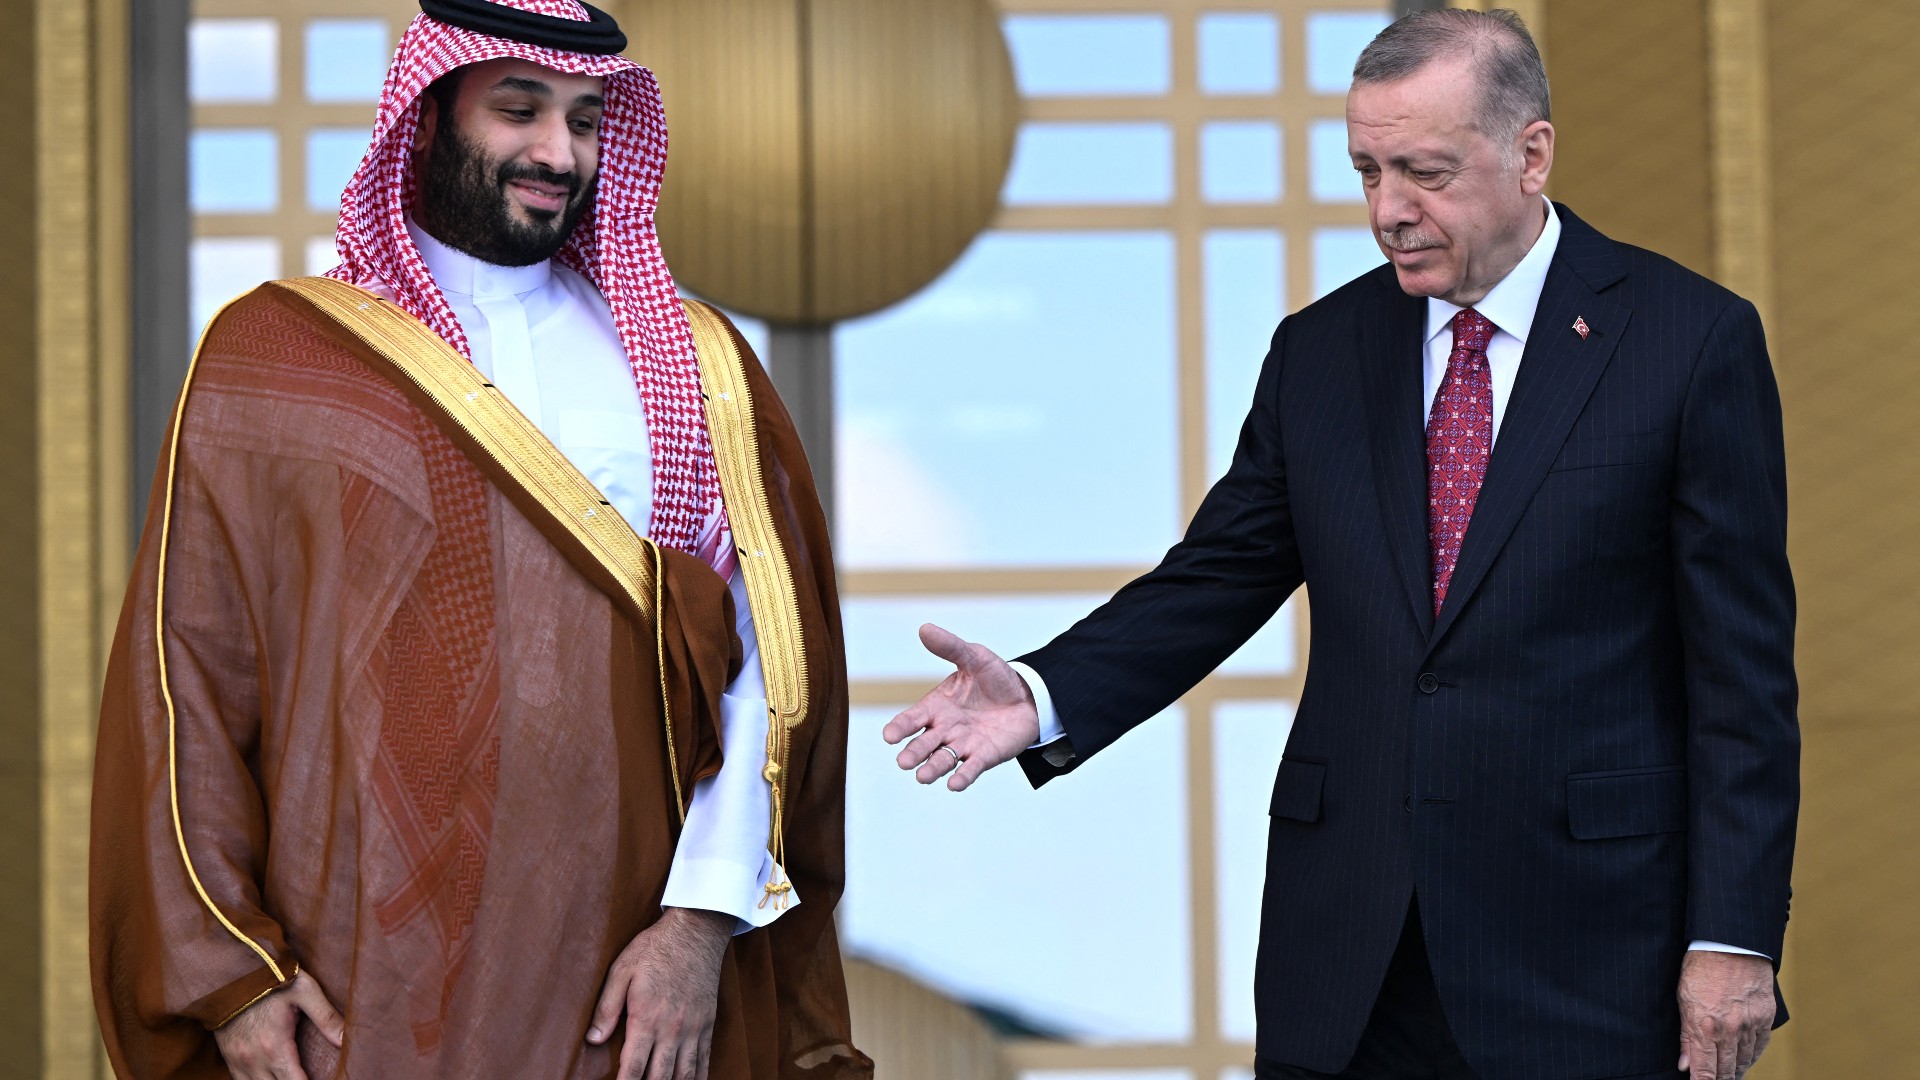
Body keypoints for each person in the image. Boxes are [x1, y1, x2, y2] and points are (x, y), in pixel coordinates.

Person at [884, 10, 1796, 1080]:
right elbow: (1218, 577)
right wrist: (1041, 692)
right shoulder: (1319, 352)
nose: (1388, 212)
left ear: (1531, 154)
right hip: (1350, 949)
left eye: (1423, 173)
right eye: (1366, 171)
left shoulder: (1689, 341)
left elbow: (1741, 684)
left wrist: (1731, 940)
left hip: (1587, 952)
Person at [90, 2, 868, 1078]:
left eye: (589, 120)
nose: (559, 152)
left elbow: (769, 667)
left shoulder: (696, 367)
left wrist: (699, 927)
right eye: (520, 110)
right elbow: (190, 684)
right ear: (427, 114)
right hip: (362, 979)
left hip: (633, 989)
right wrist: (233, 978)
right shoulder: (278, 361)